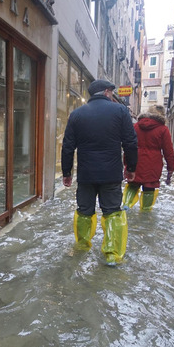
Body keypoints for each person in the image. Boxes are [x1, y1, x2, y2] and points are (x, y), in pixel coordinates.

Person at [61, 79, 138, 265]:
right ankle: (112, 254)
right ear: (106, 92)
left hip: (86, 174)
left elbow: (67, 147)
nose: (112, 96)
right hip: (111, 174)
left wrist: (67, 172)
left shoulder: (76, 114)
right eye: (111, 92)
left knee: (84, 211)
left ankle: (82, 245)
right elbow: (130, 142)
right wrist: (131, 168)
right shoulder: (120, 111)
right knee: (112, 212)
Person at [123, 105, 174, 211]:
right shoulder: (163, 129)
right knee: (149, 188)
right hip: (153, 165)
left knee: (132, 185)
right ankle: (145, 213)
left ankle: (126, 206)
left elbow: (128, 146)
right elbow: (168, 152)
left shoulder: (136, 126)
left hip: (135, 162)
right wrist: (170, 169)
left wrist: (126, 164)